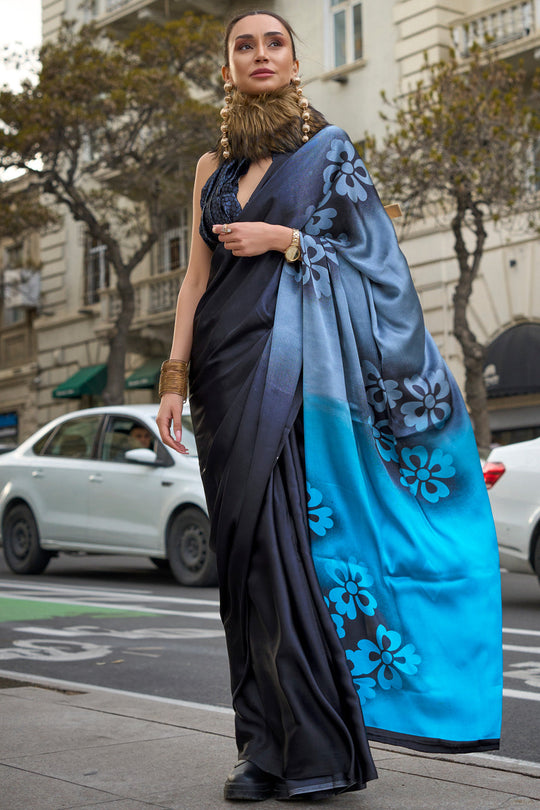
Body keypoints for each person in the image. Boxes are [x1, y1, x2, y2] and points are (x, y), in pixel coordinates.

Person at [157, 10, 502, 803]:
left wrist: (290, 241)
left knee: (289, 565)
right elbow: (194, 283)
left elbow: (378, 264)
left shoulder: (328, 153)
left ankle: (310, 753)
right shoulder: (210, 168)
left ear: (294, 60)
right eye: (244, 45)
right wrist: (174, 376)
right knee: (242, 571)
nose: (259, 54)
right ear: (228, 67)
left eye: (273, 42)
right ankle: (258, 748)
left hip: (294, 380)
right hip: (221, 381)